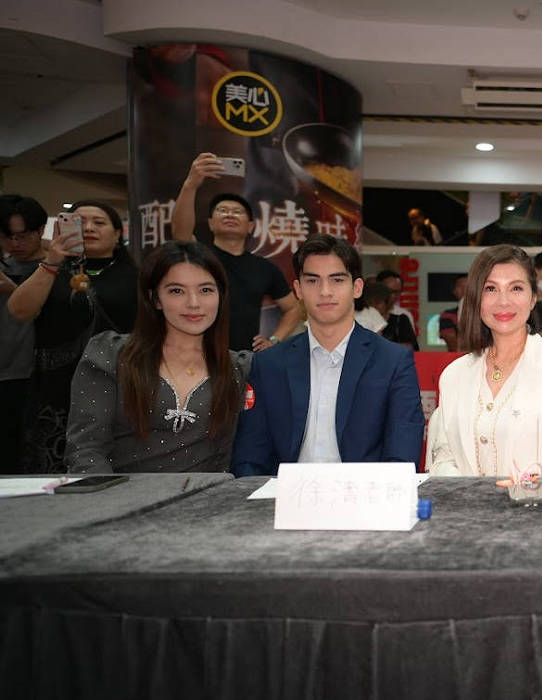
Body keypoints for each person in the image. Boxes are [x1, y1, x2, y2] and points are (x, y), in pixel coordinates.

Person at [230, 234, 425, 477]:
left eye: (337, 280)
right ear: (298, 289)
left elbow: (402, 456)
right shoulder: (269, 364)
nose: (324, 291)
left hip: (363, 495)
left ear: (357, 288)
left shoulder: (393, 361)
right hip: (286, 495)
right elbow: (250, 457)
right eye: (313, 281)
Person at [65, 243, 252, 473]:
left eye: (205, 290)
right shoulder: (111, 356)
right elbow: (86, 451)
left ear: (220, 296)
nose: (194, 303)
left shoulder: (240, 369)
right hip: (118, 492)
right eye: (176, 291)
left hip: (208, 494)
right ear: (154, 298)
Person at [429, 245, 542, 476]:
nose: (503, 301)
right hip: (467, 500)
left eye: (516, 288)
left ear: (533, 298)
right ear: (476, 298)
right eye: (490, 288)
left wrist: (525, 489)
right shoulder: (455, 374)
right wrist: (469, 492)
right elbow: (442, 457)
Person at [7, 200, 138, 472]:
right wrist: (52, 261)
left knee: (117, 465)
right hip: (56, 389)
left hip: (120, 382)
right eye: (79, 223)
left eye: (99, 222)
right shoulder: (49, 270)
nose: (89, 228)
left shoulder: (137, 275)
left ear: (117, 234)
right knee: (52, 470)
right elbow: (19, 310)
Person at [171, 153, 302, 352]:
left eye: (238, 212)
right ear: (210, 224)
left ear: (250, 227)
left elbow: (294, 308)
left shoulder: (264, 267)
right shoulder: (200, 256)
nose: (230, 214)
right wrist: (190, 184)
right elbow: (180, 233)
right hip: (198, 354)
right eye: (222, 210)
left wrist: (274, 340)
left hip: (244, 358)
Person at [0, 196, 42, 474]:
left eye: (23, 236)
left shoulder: (56, 269)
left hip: (40, 375)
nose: (15, 243)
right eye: (7, 237)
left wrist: (12, 290)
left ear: (40, 231)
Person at [362, 280, 419, 350]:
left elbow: (409, 347)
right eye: (370, 303)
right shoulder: (363, 322)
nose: (374, 306)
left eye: (377, 303)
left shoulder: (400, 320)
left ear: (387, 303)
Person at [375, 269, 418, 335]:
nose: (394, 296)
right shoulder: (366, 313)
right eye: (390, 291)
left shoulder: (403, 315)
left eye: (398, 292)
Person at [438, 273, 465, 351]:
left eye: (469, 286)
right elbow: (453, 345)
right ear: (454, 291)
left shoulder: (484, 314)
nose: (465, 290)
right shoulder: (447, 315)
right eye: (461, 286)